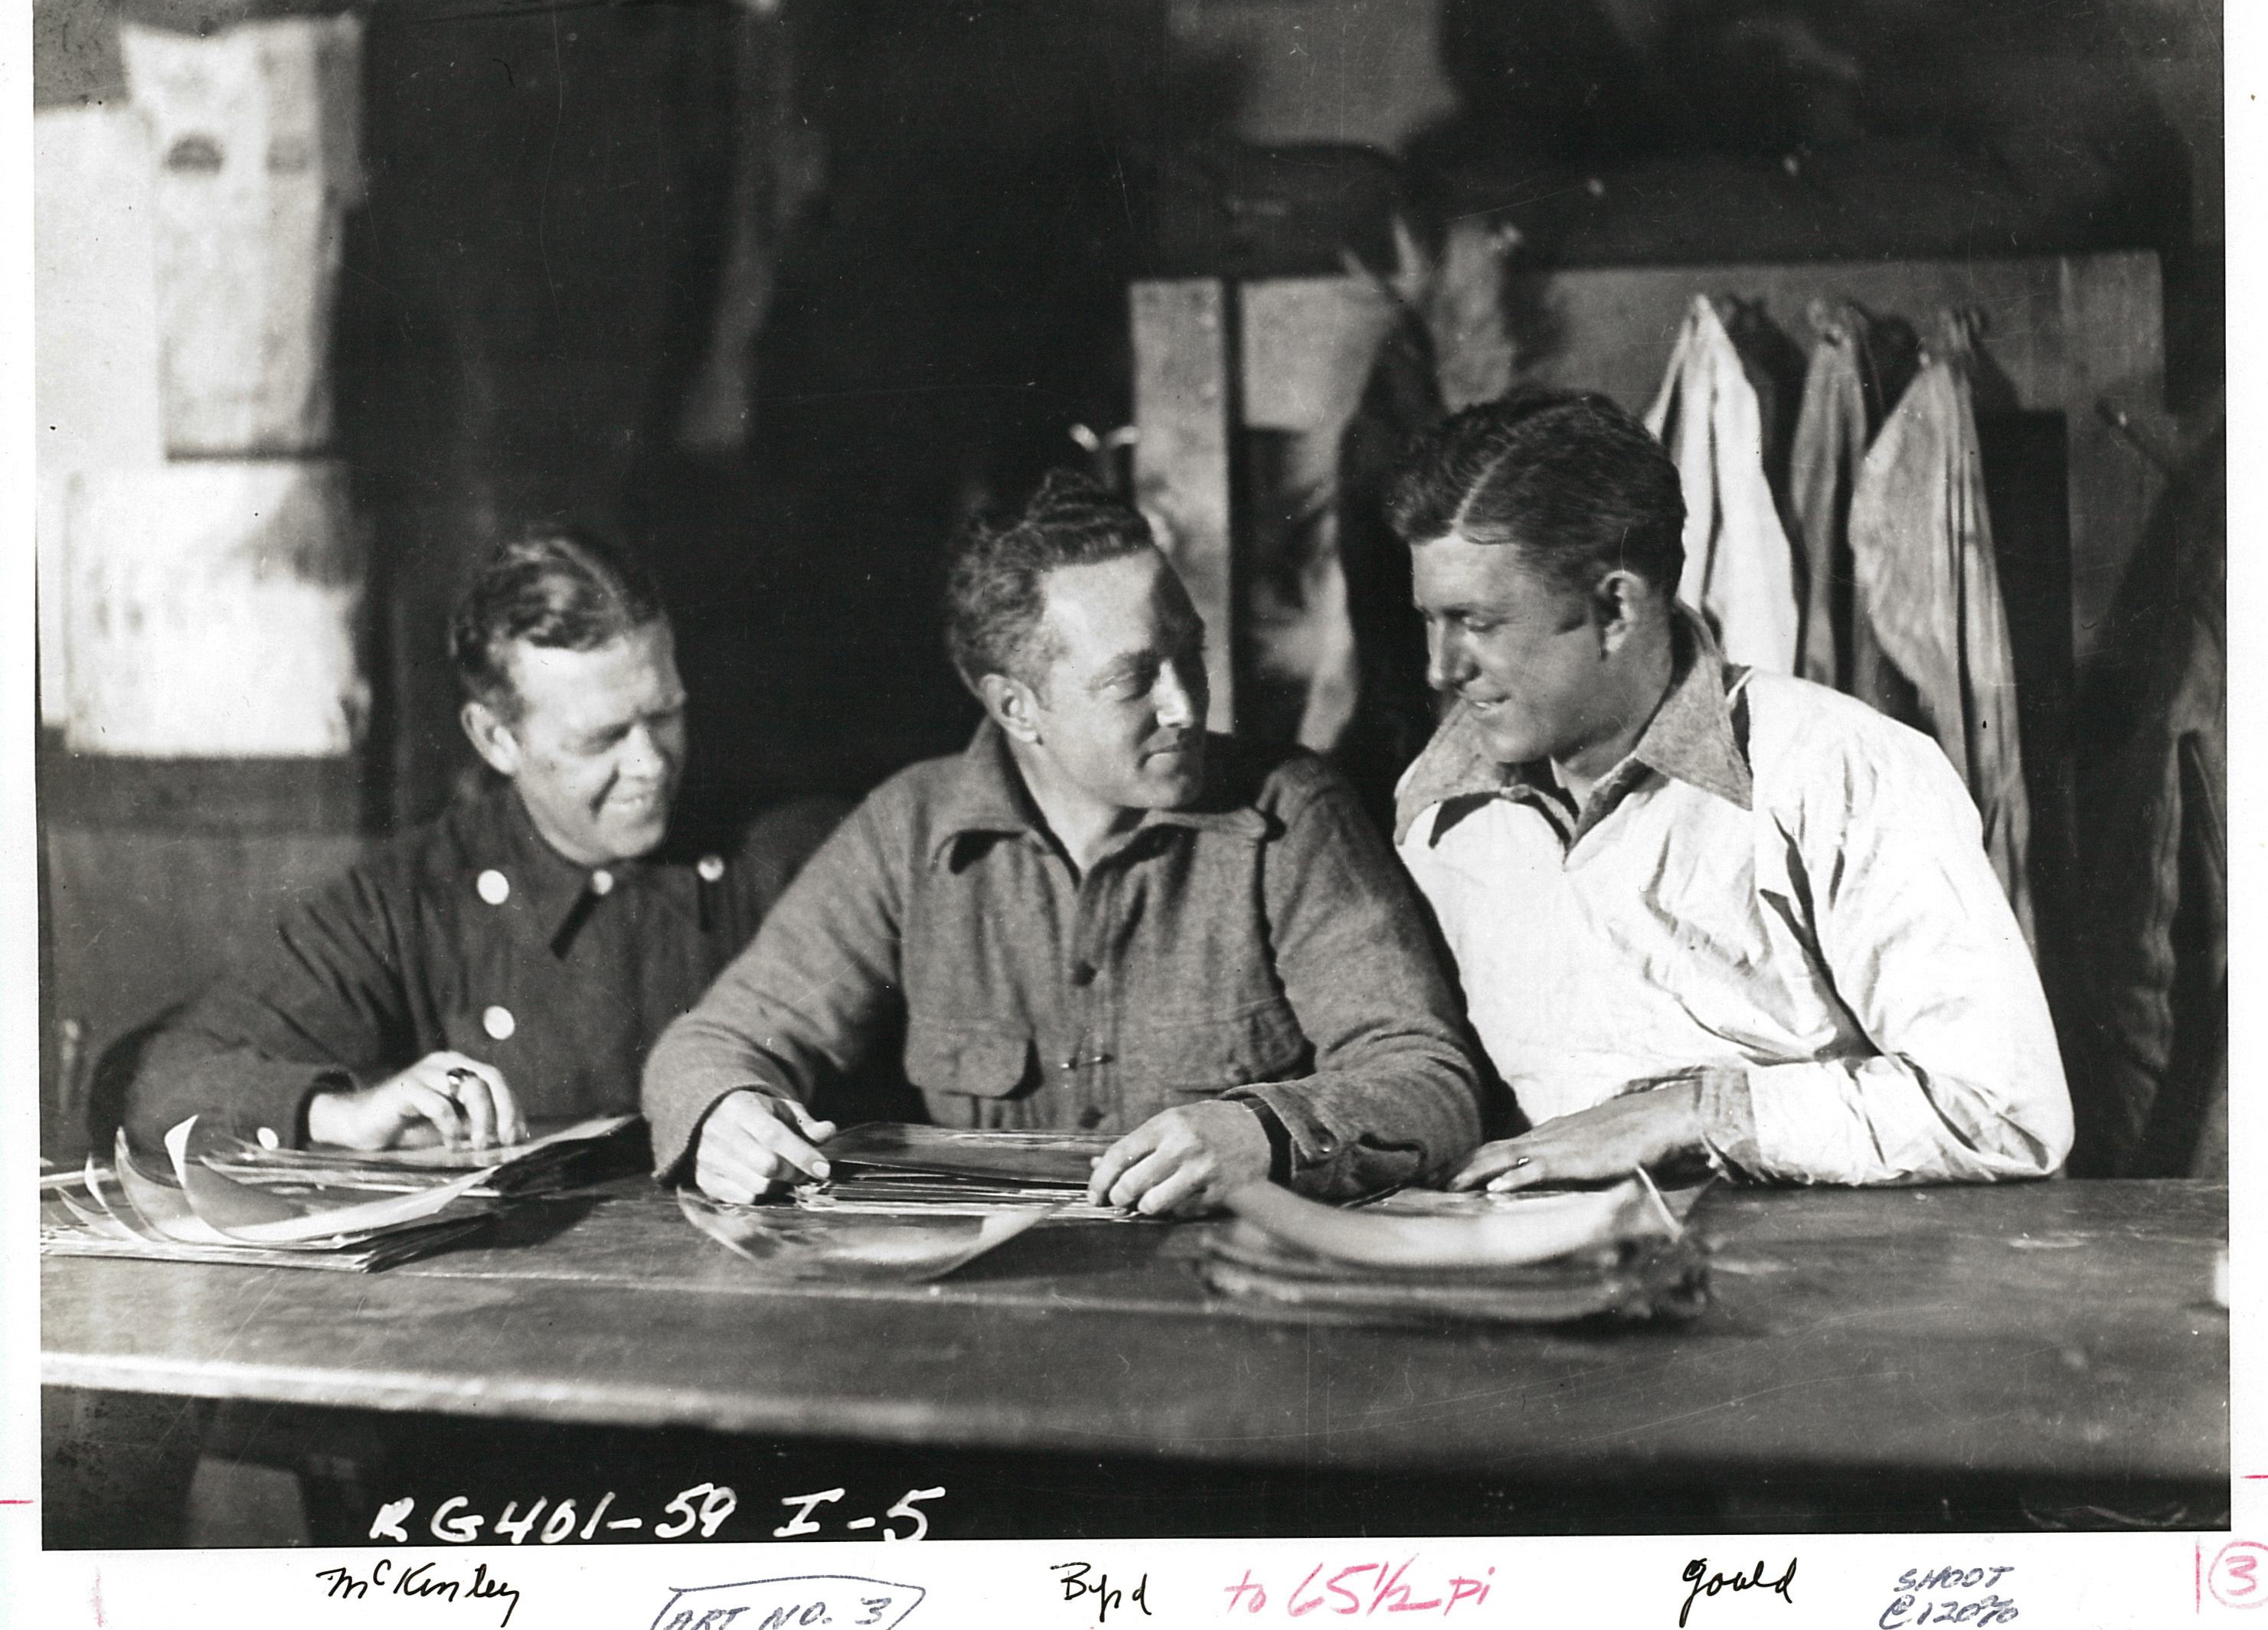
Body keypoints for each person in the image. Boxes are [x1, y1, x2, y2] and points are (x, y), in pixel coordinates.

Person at [642, 471, 1483, 1216]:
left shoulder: (1290, 814)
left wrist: (1264, 1129)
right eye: (1131, 680)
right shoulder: (910, 831)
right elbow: (711, 1043)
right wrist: (725, 1112)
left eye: (1187, 652)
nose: (1186, 704)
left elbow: (1427, 1076)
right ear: (1016, 708)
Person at [1384, 389, 2074, 1189]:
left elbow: (2008, 1111)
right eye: (1429, 622)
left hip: (1844, 1278)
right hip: (1572, 1272)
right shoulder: (1437, 807)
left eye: (1478, 622)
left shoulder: (1842, 770)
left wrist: (1688, 1112)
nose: (1441, 667)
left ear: (1614, 606)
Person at [125, 528, 844, 1154]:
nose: (651, 763)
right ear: (497, 738)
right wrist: (339, 1114)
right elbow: (157, 1076)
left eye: (665, 715)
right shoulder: (411, 899)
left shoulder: (789, 853)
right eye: (602, 738)